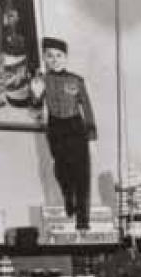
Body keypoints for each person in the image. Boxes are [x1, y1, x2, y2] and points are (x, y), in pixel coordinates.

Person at [30, 37, 97, 230]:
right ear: (44, 58)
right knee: (61, 169)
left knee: (82, 173)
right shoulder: (42, 80)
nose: (54, 59)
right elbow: (35, 106)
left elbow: (88, 109)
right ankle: (69, 196)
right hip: (56, 127)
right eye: (50, 56)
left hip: (76, 126)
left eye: (59, 55)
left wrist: (92, 138)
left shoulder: (76, 80)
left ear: (65, 58)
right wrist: (35, 93)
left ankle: (83, 221)